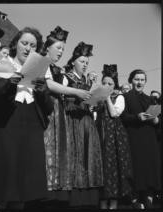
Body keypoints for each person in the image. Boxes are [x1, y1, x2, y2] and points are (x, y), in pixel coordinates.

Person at [0, 27, 52, 210]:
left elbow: (48, 109)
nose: (28, 48)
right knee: (3, 182)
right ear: (15, 44)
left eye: (33, 46)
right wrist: (8, 86)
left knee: (24, 187)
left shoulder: (39, 70)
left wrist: (43, 91)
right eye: (24, 43)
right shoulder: (2, 65)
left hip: (31, 126)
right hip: (6, 125)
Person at [42, 26, 91, 206]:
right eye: (58, 48)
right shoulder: (42, 62)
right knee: (48, 146)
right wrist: (75, 91)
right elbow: (50, 85)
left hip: (58, 109)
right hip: (46, 108)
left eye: (63, 49)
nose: (61, 52)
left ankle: (57, 193)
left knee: (59, 148)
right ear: (47, 47)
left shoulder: (56, 68)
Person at [62, 41, 103, 208]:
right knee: (76, 155)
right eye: (82, 61)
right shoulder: (66, 77)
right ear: (73, 61)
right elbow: (62, 100)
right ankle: (74, 198)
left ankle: (89, 199)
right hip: (73, 121)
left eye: (87, 62)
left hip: (87, 122)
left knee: (88, 155)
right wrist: (79, 99)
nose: (85, 65)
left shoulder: (87, 80)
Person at [121, 69, 161, 209]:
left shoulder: (150, 99)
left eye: (142, 80)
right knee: (136, 166)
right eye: (136, 79)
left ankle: (149, 197)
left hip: (149, 138)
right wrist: (136, 117)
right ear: (131, 81)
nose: (139, 82)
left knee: (150, 166)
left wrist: (156, 120)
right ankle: (136, 198)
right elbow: (123, 117)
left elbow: (157, 122)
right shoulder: (125, 97)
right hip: (134, 136)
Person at [96, 64, 133, 209]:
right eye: (104, 83)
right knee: (102, 165)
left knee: (114, 166)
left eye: (109, 83)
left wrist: (107, 98)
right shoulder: (98, 97)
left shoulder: (119, 97)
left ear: (114, 85)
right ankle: (102, 203)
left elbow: (114, 113)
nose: (106, 85)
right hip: (100, 132)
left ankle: (114, 204)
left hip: (115, 136)